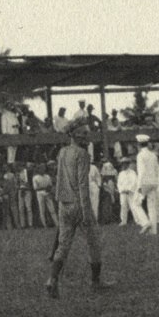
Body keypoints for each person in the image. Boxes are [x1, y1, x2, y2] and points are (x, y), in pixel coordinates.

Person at [45, 118, 115, 298]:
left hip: (64, 203)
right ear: (76, 135)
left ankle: (52, 280)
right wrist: (85, 212)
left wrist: (61, 201)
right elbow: (83, 185)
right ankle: (96, 281)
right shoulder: (83, 155)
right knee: (94, 242)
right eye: (84, 133)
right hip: (78, 203)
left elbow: (60, 179)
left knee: (63, 245)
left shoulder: (62, 152)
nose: (87, 137)